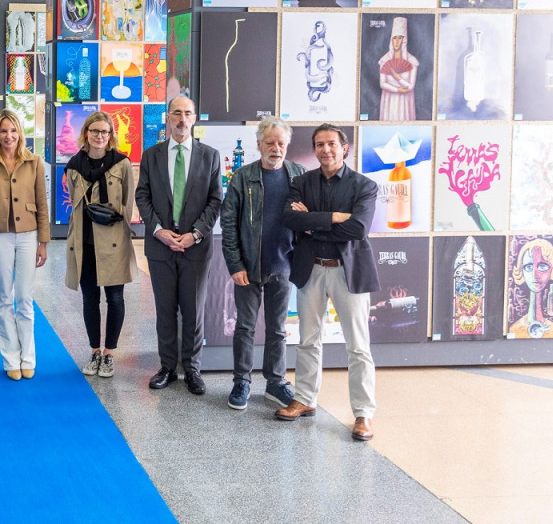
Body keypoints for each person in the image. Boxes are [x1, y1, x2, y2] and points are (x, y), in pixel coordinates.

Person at [276, 124, 380, 442]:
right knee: (308, 340)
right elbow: (291, 219)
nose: (325, 150)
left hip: (347, 272)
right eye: (319, 144)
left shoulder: (364, 186)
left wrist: (315, 221)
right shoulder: (301, 183)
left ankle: (363, 414)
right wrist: (335, 217)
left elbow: (358, 229)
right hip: (312, 269)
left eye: (331, 144)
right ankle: (305, 399)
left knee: (358, 347)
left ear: (344, 147)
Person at [135, 96, 222, 394]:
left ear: (194, 118)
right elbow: (142, 197)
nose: (182, 119)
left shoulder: (210, 156)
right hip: (161, 247)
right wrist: (158, 230)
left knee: (194, 311)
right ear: (168, 118)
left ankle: (193, 369)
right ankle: (168, 367)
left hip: (195, 247)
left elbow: (215, 200)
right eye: (176, 113)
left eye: (187, 113)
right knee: (165, 310)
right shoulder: (151, 156)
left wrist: (195, 233)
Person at [220, 117, 305, 411]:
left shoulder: (299, 175)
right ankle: (242, 381)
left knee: (278, 329)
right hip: (248, 267)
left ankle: (275, 382)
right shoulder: (242, 177)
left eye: (281, 143)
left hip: (284, 265)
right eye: (270, 142)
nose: (276, 148)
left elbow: (308, 221)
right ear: (259, 144)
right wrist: (235, 264)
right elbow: (228, 223)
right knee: (244, 327)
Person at [0, 109, 50, 380]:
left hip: (29, 234)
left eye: (13, 130)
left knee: (24, 298)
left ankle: (28, 357)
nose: (9, 136)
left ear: (21, 132)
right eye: (3, 130)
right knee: (4, 298)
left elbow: (42, 204)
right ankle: (10, 360)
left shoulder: (35, 162)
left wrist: (44, 242)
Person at [63, 111, 134, 379]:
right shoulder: (73, 165)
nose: (100, 136)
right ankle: (94, 351)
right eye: (95, 131)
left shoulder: (122, 164)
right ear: (86, 134)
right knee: (90, 299)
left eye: (105, 132)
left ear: (111, 135)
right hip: (84, 241)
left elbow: (128, 203)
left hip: (114, 239)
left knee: (115, 298)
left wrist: (126, 232)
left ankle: (109, 354)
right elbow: (74, 202)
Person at [507, 238, 553, 338]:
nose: (535, 274)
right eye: (528, 267)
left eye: (542, 266)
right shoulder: (513, 329)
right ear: (521, 271)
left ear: (552, 269)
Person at [377, 16, 418, 120]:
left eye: (400, 38)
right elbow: (382, 83)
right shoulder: (384, 60)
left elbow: (411, 86)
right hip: (389, 101)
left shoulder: (412, 61)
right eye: (395, 38)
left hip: (405, 102)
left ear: (404, 40)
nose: (397, 41)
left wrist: (397, 77)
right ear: (391, 40)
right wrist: (397, 89)